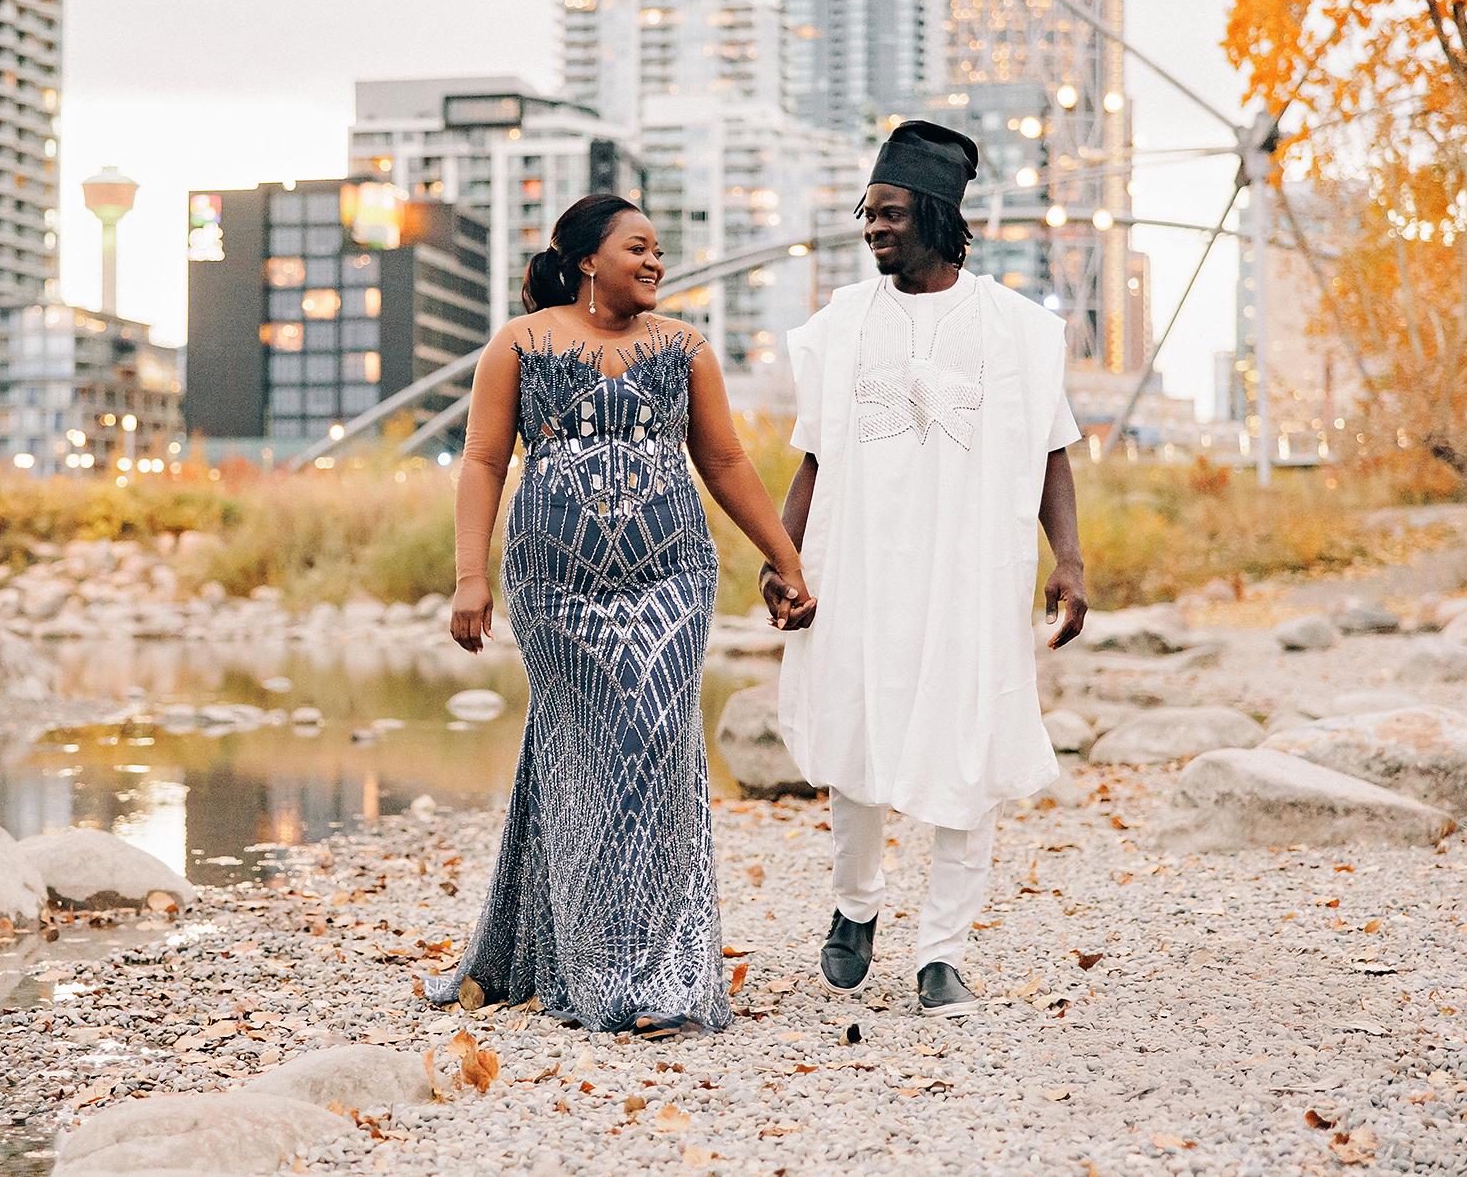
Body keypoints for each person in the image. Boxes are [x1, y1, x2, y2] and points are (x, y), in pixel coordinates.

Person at [427, 193, 814, 1034]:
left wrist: (784, 558)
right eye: (638, 247)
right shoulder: (518, 344)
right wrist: (469, 574)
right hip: (554, 585)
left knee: (654, 748)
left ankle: (661, 972)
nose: (655, 262)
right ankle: (586, 957)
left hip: (671, 578)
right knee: (581, 752)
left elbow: (725, 460)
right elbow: (485, 458)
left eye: (660, 250)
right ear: (584, 257)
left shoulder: (685, 348)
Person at [762, 120, 1089, 1018]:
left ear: (938, 216)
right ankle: (855, 905)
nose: (873, 227)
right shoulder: (840, 325)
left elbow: (1052, 450)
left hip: (970, 575)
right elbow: (813, 456)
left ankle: (942, 951)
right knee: (853, 734)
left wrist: (1069, 559)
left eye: (891, 212)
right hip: (862, 567)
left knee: (968, 748)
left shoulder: (1016, 330)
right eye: (867, 212)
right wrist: (784, 561)